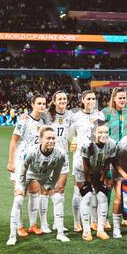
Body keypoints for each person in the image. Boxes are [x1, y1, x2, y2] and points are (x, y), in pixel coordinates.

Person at [7, 126, 69, 245]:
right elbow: (22, 170)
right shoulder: (30, 152)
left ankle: (60, 233)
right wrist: (19, 186)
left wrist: (50, 186)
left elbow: (57, 172)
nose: (51, 141)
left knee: (58, 198)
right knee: (18, 199)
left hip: (44, 177)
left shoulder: (60, 154)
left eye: (53, 138)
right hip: (28, 175)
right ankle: (12, 235)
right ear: (41, 139)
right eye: (48, 138)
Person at [7, 94, 47, 240]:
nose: (42, 106)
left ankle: (33, 225)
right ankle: (19, 226)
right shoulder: (23, 121)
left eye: (44, 103)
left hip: (35, 162)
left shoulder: (42, 121)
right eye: (39, 103)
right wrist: (10, 162)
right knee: (19, 194)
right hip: (20, 162)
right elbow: (13, 141)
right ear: (33, 104)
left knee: (35, 190)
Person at [73, 120, 116, 241]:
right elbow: (86, 167)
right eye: (100, 132)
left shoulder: (112, 144)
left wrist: (101, 181)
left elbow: (107, 164)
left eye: (106, 132)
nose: (104, 135)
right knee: (87, 197)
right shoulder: (87, 145)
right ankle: (86, 231)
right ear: (94, 133)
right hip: (82, 171)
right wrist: (91, 184)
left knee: (102, 196)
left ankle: (100, 230)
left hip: (98, 170)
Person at [69, 90, 105, 233]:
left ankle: (94, 221)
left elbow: (102, 132)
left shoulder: (100, 115)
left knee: (95, 190)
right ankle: (77, 222)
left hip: (96, 156)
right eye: (88, 98)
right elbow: (69, 134)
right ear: (82, 100)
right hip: (79, 156)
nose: (91, 100)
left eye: (94, 98)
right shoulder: (76, 116)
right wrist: (73, 142)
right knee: (79, 190)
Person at [101, 87, 127, 228]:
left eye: (124, 98)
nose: (122, 100)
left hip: (126, 154)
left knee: (126, 184)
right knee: (108, 184)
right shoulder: (105, 113)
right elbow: (97, 131)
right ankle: (104, 218)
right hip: (110, 153)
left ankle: (125, 217)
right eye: (120, 97)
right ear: (114, 98)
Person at [41, 90, 72, 232]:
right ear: (54, 100)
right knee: (46, 189)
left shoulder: (70, 114)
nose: (62, 101)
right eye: (59, 99)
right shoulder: (46, 115)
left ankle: (57, 223)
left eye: (64, 99)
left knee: (60, 189)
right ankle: (44, 223)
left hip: (63, 156)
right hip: (48, 156)